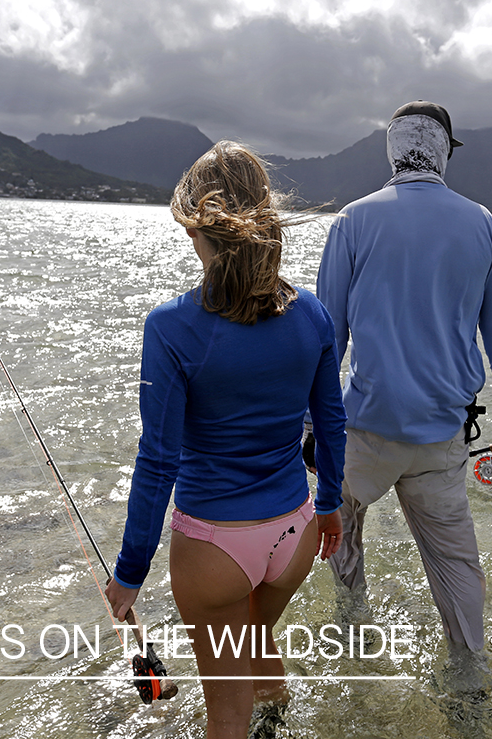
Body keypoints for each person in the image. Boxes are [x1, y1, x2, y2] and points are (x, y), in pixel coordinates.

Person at [105, 141, 347, 739]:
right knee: (259, 648)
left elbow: (158, 463)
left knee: (225, 717)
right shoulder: (313, 314)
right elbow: (332, 421)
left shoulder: (170, 327)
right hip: (295, 533)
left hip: (215, 548)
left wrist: (130, 570)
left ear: (197, 225)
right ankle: (278, 725)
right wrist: (332, 504)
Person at [314, 101, 492, 672]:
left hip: (365, 433)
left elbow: (324, 335)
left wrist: (307, 424)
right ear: (443, 150)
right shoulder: (481, 223)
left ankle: (352, 627)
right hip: (442, 437)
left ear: (392, 147)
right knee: (455, 567)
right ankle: (469, 678)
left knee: (338, 528)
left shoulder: (351, 221)